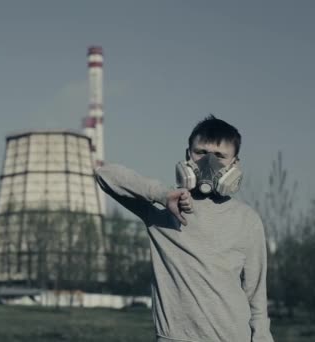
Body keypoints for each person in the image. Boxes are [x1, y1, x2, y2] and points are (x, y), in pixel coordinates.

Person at [95, 115, 274, 342]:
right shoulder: (161, 211)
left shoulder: (248, 220)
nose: (209, 162)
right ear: (187, 155)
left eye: (220, 155)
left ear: (234, 164)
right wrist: (163, 194)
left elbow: (256, 296)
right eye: (200, 152)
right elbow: (105, 175)